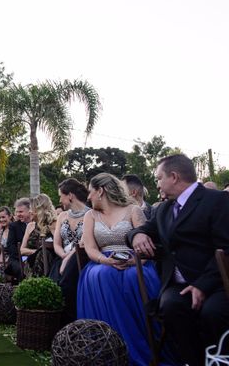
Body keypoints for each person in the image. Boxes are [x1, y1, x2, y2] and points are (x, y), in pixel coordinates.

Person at [129, 154, 229, 366]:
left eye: (158, 178)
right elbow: (143, 229)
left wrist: (202, 285)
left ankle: (220, 361)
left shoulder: (217, 200)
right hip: (179, 286)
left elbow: (226, 248)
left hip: (217, 284)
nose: (157, 184)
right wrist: (136, 235)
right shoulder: (164, 209)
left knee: (213, 313)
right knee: (171, 306)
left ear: (173, 176)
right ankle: (192, 361)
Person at [78, 173, 160, 366]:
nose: (88, 198)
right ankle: (107, 347)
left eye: (90, 192)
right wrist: (105, 261)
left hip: (135, 260)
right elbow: (90, 248)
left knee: (132, 278)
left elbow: (146, 241)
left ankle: (138, 346)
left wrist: (133, 261)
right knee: (103, 274)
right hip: (102, 261)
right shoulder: (90, 215)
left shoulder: (133, 210)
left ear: (100, 191)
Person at [50, 178, 89, 321]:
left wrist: (69, 258)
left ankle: (70, 321)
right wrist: (64, 256)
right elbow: (56, 244)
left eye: (61, 196)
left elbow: (84, 242)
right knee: (53, 283)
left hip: (82, 257)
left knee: (67, 283)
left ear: (70, 195)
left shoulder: (90, 215)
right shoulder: (62, 216)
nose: (60, 200)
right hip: (61, 257)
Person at [20, 194, 57, 277]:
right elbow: (22, 250)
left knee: (44, 255)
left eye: (31, 209)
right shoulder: (30, 226)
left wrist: (42, 252)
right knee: (40, 254)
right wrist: (37, 252)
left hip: (50, 262)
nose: (29, 211)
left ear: (39, 210)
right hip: (31, 262)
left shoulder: (53, 224)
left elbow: (58, 244)